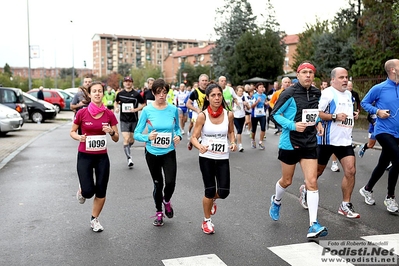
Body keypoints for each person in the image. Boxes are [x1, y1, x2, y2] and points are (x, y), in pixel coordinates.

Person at [269, 62, 328, 238]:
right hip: (289, 142)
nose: (308, 75)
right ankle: (276, 200)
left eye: (311, 72)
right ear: (298, 74)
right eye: (304, 72)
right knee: (287, 181)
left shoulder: (317, 93)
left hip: (309, 142)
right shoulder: (289, 93)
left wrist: (318, 123)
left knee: (312, 181)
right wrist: (293, 125)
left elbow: (313, 113)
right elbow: (275, 115)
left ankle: (313, 224)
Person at [299, 67, 360, 219]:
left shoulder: (349, 94)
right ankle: (305, 190)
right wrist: (334, 116)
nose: (345, 80)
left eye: (346, 77)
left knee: (351, 170)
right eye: (341, 77)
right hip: (326, 140)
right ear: (333, 79)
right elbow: (317, 113)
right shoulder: (327, 93)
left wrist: (353, 115)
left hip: (345, 140)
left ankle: (345, 205)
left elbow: (344, 113)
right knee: (317, 173)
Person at [70, 81, 119, 232]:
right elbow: (72, 131)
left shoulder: (109, 114)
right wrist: (79, 138)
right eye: (94, 91)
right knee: (89, 191)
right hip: (85, 156)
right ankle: (82, 191)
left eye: (100, 91)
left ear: (103, 94)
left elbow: (116, 137)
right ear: (90, 94)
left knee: (101, 190)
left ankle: (94, 219)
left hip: (102, 157)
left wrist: (110, 131)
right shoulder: (82, 113)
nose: (97, 93)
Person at [190, 83, 237, 234]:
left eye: (219, 95)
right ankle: (206, 220)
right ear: (208, 98)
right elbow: (194, 137)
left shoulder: (229, 114)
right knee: (209, 190)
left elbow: (230, 132)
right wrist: (199, 146)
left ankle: (213, 200)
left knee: (224, 192)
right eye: (213, 95)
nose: (217, 98)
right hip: (206, 157)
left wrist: (233, 142)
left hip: (223, 157)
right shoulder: (202, 116)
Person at [134, 78, 182, 226]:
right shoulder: (147, 111)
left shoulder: (173, 109)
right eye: (159, 92)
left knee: (170, 182)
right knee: (158, 184)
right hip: (152, 153)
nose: (162, 95)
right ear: (153, 93)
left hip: (169, 152)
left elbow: (178, 129)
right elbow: (136, 133)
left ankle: (166, 200)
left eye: (165, 92)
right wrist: (147, 137)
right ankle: (159, 212)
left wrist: (178, 136)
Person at [358, 59, 399, 213]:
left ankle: (367, 189)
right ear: (393, 70)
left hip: (398, 132)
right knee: (397, 160)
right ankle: (390, 197)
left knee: (383, 163)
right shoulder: (379, 88)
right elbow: (364, 103)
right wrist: (377, 111)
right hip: (383, 131)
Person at [114, 76, 146, 168]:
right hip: (124, 120)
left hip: (133, 120)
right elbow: (116, 102)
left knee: (131, 140)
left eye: (129, 81)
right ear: (123, 83)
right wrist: (116, 107)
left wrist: (136, 109)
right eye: (126, 81)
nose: (128, 83)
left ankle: (127, 147)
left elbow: (144, 104)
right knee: (126, 138)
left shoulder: (136, 94)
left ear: (132, 83)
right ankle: (129, 158)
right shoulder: (120, 94)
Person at [186, 74, 209, 150]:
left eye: (206, 80)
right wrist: (197, 110)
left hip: (207, 113)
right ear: (199, 82)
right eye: (203, 80)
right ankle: (194, 142)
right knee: (198, 131)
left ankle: (194, 141)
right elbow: (188, 104)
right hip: (197, 114)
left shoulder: (210, 91)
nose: (204, 82)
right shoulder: (195, 92)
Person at [250, 82, 268, 150]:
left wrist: (266, 103)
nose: (262, 88)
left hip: (262, 114)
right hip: (255, 115)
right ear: (257, 89)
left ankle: (260, 142)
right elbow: (251, 106)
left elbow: (265, 102)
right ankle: (253, 140)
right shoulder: (254, 96)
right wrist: (257, 102)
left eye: (262, 87)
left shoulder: (264, 95)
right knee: (254, 129)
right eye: (260, 87)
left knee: (263, 128)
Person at [232, 85, 250, 152]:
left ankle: (235, 139)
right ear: (236, 91)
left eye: (242, 91)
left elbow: (249, 108)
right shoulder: (234, 98)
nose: (241, 92)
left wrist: (246, 104)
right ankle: (240, 146)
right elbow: (231, 105)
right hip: (235, 116)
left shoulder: (244, 98)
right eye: (239, 91)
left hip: (242, 116)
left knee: (240, 131)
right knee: (239, 130)